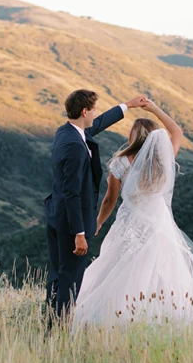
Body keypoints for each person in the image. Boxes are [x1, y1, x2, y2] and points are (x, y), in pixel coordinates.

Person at [72, 98, 193, 328]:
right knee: (160, 268)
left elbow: (109, 200)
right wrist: (154, 109)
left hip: (129, 222)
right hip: (159, 222)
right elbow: (177, 131)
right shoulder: (163, 161)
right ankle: (164, 316)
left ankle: (115, 316)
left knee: (120, 265)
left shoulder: (120, 163)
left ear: (133, 136)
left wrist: (98, 223)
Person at [44, 89, 148, 321]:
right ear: (84, 111)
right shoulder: (75, 147)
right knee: (70, 277)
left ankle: (50, 322)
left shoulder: (67, 132)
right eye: (93, 110)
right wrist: (79, 233)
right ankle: (58, 328)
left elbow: (99, 123)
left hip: (55, 214)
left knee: (57, 275)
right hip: (71, 221)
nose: (95, 114)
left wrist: (128, 105)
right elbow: (72, 193)